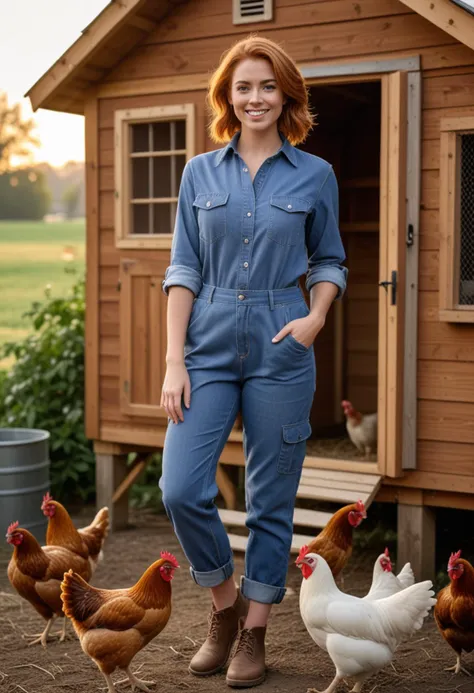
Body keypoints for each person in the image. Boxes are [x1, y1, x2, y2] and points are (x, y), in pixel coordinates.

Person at [159, 35, 347, 688]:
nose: (256, 97)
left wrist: (315, 317)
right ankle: (223, 606)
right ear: (227, 96)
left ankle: (255, 634)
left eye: (267, 86)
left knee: (271, 499)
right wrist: (173, 361)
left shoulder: (314, 175)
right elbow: (182, 268)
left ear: (286, 94)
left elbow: (330, 260)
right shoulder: (199, 174)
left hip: (280, 341)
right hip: (205, 343)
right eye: (244, 87)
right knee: (179, 487)